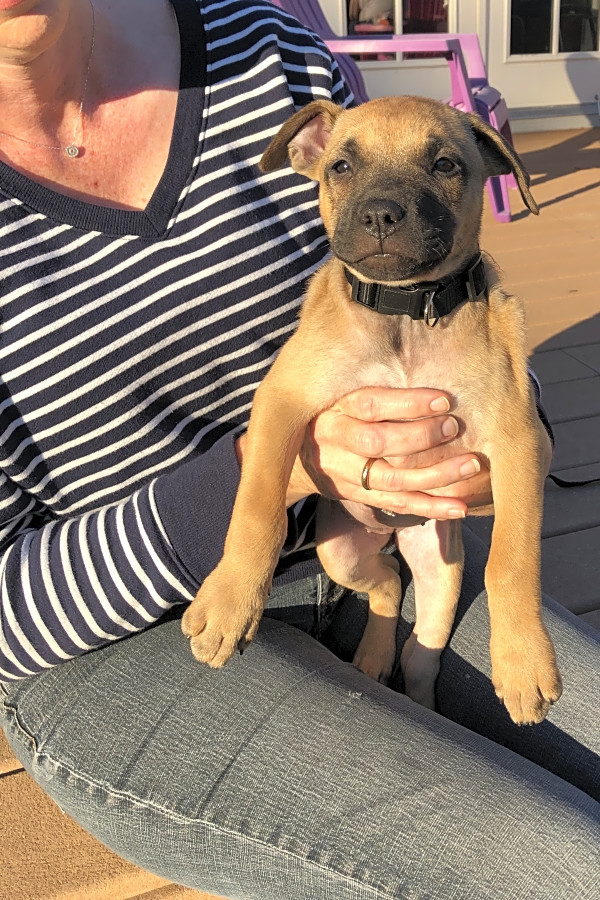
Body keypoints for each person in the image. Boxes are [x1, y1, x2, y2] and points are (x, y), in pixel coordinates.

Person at [0, 1, 598, 898]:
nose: (388, 204)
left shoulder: (266, 49)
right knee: (565, 871)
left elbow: (448, 324)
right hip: (118, 645)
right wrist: (266, 497)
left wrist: (486, 425)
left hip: (377, 539)